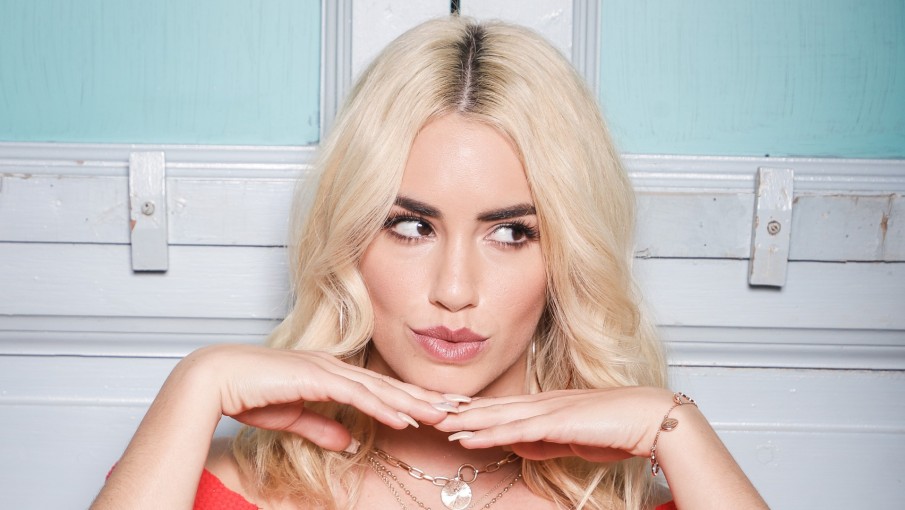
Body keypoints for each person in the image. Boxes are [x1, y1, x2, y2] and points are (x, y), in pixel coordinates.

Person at [91, 16, 768, 510]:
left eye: (511, 234)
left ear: (568, 256)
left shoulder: (642, 500)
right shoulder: (209, 488)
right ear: (350, 236)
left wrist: (675, 428)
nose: (454, 289)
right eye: (411, 227)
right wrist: (197, 383)